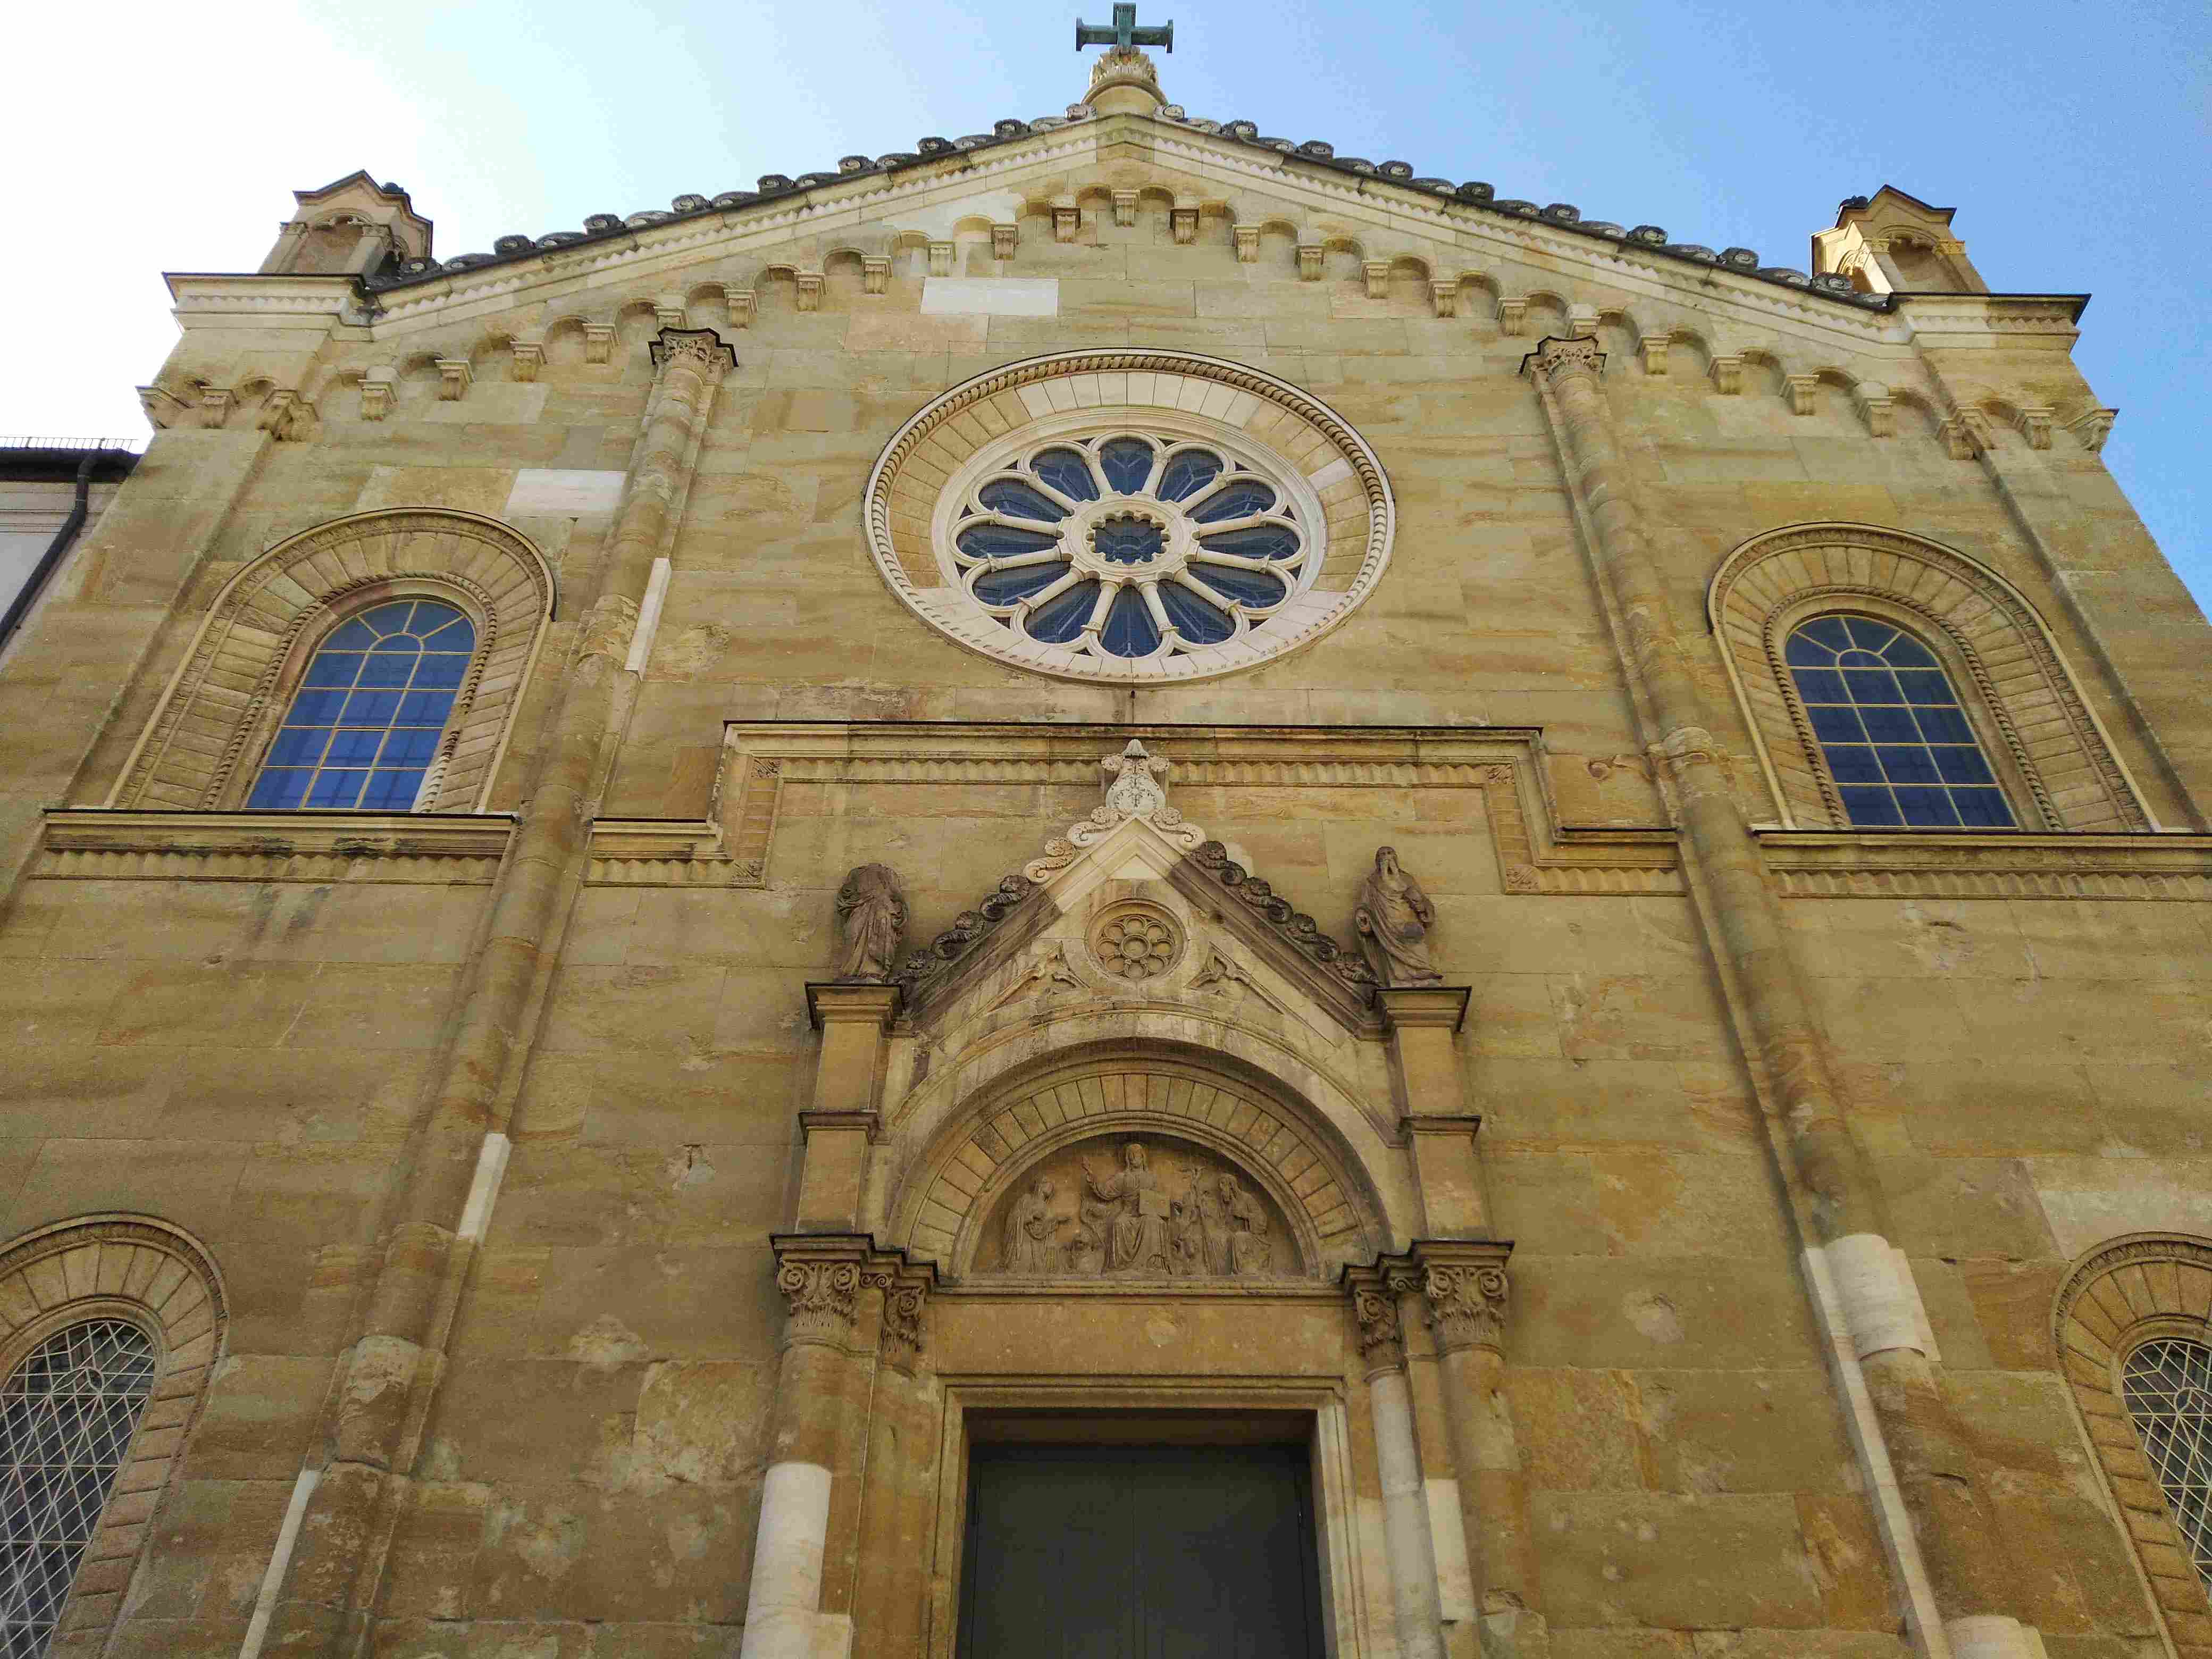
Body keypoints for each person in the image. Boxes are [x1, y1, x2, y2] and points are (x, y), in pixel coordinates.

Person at [1353, 845, 1443, 987]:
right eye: (1382, 855)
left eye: (1390, 853)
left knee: (1417, 945)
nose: (1387, 857)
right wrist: (1363, 916)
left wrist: (1422, 906)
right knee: (1392, 953)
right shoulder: (1372, 883)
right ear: (1378, 861)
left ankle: (1424, 972)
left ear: (1395, 858)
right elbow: (1365, 905)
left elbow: (1422, 899)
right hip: (1386, 924)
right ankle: (1401, 980)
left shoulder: (1407, 879)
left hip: (1409, 919)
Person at [1082, 1141, 1172, 1273]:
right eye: (1131, 1155)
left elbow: (1159, 1200)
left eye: (1137, 1155)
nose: (1134, 1158)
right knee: (1119, 1223)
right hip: (1128, 1213)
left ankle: (1153, 1264)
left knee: (1153, 1222)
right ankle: (1120, 1267)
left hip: (1147, 1214)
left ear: (1143, 1157)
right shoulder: (1122, 1178)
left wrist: (1164, 1205)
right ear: (1127, 1158)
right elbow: (1106, 1192)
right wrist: (1093, 1179)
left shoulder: (1151, 1178)